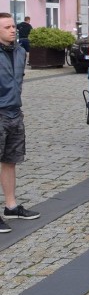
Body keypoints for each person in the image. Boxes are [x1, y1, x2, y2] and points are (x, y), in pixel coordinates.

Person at [0, 13, 39, 234]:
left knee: (10, 160)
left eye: (13, 26)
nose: (13, 30)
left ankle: (11, 206)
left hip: (15, 112)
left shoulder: (20, 51)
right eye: (7, 27)